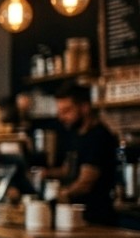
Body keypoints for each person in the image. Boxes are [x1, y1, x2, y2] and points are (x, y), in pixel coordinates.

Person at [47, 81, 119, 226]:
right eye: (59, 112)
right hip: (76, 217)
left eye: (66, 111)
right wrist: (44, 173)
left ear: (85, 107)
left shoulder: (99, 136)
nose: (61, 117)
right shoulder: (76, 134)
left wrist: (60, 196)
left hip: (96, 219)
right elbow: (68, 169)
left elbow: (85, 182)